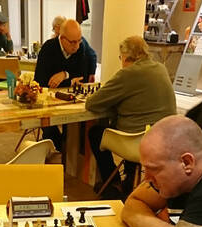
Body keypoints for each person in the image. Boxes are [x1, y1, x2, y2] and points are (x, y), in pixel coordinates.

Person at [85, 36, 175, 196]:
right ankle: (129, 179)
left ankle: (113, 184)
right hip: (164, 138)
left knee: (95, 133)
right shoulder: (160, 68)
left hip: (137, 142)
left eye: (121, 58)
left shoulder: (128, 73)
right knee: (132, 124)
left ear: (126, 56)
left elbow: (92, 103)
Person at [34, 19, 90, 147]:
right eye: (73, 42)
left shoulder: (80, 48)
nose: (77, 46)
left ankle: (70, 150)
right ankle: (62, 147)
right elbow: (42, 81)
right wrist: (71, 80)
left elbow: (82, 77)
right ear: (62, 38)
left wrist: (64, 74)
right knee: (48, 125)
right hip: (48, 101)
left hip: (70, 99)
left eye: (79, 40)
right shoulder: (48, 48)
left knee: (80, 124)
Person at [51, 15, 97, 82]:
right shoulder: (56, 42)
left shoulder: (80, 42)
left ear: (59, 27)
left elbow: (92, 55)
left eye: (54, 28)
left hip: (81, 77)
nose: (54, 31)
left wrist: (92, 73)